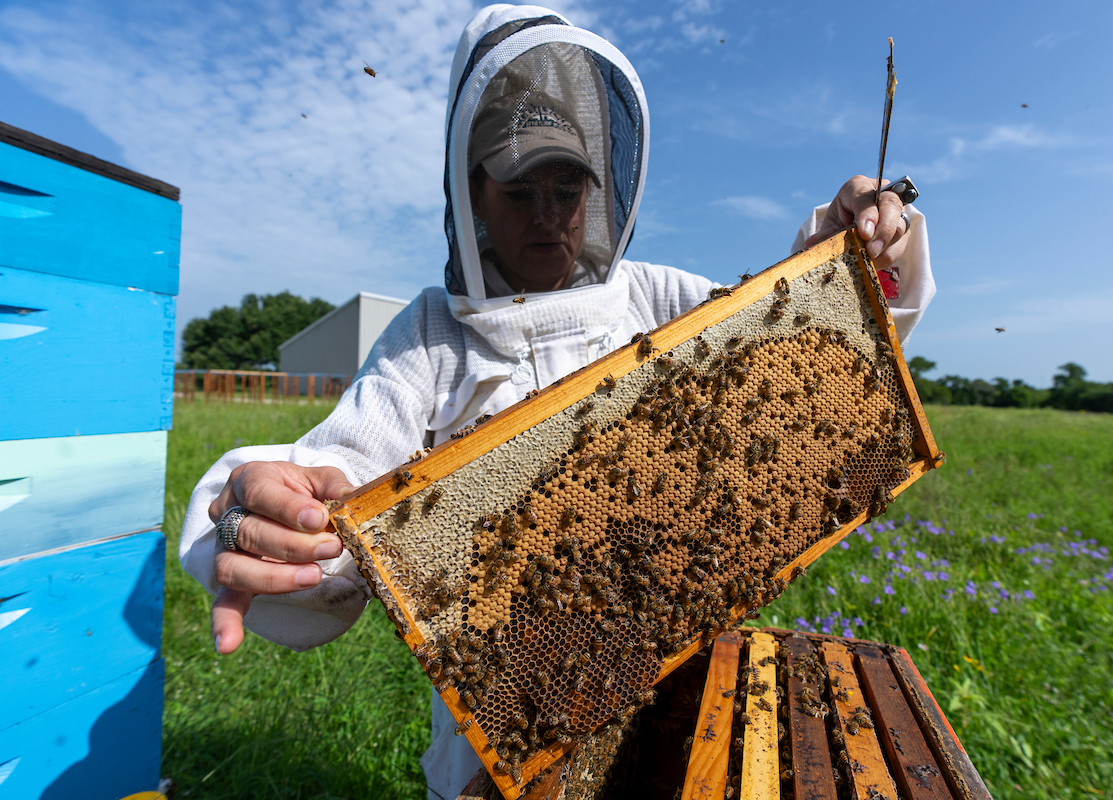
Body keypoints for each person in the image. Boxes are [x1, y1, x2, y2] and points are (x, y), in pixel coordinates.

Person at [179, 5, 934, 798]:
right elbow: (341, 475)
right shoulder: (428, 338)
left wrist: (863, 243)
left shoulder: (662, 300)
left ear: (600, 191)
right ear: (473, 195)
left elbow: (801, 350)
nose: (547, 215)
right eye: (520, 189)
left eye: (567, 188)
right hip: (503, 742)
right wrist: (268, 520)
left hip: (677, 681)